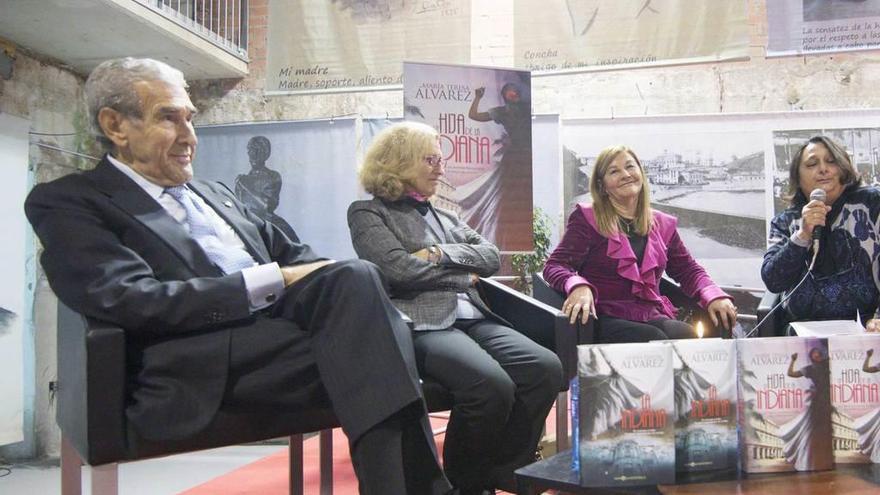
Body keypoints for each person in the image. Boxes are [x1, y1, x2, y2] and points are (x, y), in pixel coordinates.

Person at [23, 58, 451, 495]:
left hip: (281, 337)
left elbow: (302, 258)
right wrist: (267, 283)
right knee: (387, 345)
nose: (189, 136)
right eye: (168, 118)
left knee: (355, 280)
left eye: (190, 117)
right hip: (203, 355)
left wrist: (309, 280)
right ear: (115, 126)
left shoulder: (215, 194)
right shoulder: (70, 201)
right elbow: (127, 298)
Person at [347, 121, 562, 495]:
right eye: (430, 159)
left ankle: (504, 468)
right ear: (399, 162)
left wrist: (438, 254)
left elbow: (491, 258)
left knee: (545, 368)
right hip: (425, 325)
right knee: (490, 385)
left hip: (474, 318)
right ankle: (465, 484)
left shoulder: (445, 216)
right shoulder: (368, 213)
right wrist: (462, 275)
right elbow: (399, 270)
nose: (441, 168)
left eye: (439, 159)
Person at [543, 145, 736, 342]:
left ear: (641, 174)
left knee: (686, 336)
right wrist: (578, 286)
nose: (626, 174)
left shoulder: (662, 223)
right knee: (654, 338)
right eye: (614, 171)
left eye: (630, 167)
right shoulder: (587, 218)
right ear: (602, 186)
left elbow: (688, 269)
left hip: (648, 313)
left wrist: (714, 295)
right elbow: (555, 265)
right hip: (602, 314)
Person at [762, 135, 880, 332]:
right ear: (797, 178)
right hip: (803, 329)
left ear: (843, 168)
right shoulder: (785, 221)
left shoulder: (872, 204)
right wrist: (802, 235)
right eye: (812, 164)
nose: (823, 169)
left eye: (831, 162)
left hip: (867, 326)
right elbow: (773, 280)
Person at [464, 81, 533, 249]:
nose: (514, 93)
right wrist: (477, 98)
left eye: (515, 91)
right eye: (510, 92)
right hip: (515, 157)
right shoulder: (501, 112)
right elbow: (473, 115)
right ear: (504, 96)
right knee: (509, 196)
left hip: (526, 156)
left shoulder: (526, 108)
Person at [234, 135, 299, 242]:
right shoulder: (241, 179)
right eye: (250, 149)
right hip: (247, 223)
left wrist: (245, 185)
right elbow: (240, 205)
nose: (252, 154)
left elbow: (267, 205)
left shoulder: (273, 176)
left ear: (265, 153)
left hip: (267, 222)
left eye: (256, 150)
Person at [780, 347, 832, 470]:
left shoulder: (826, 365)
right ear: (811, 356)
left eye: (818, 353)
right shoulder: (810, 369)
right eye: (814, 354)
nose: (816, 355)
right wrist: (793, 360)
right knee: (817, 425)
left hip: (828, 396)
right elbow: (791, 373)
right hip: (819, 399)